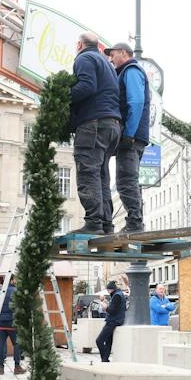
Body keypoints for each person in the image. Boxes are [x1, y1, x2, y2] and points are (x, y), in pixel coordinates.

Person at [68, 31, 122, 235]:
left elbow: (86, 86)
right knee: (101, 175)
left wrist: (64, 96)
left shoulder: (85, 58)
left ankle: (93, 223)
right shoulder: (106, 63)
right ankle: (105, 224)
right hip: (111, 125)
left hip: (93, 124)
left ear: (79, 45)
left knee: (88, 171)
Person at [107, 41, 151, 235]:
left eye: (113, 54)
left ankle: (134, 223)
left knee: (125, 180)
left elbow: (135, 102)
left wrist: (129, 134)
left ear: (123, 53)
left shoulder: (131, 71)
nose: (111, 58)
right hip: (133, 136)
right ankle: (134, 222)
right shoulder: (127, 72)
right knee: (128, 180)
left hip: (132, 137)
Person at [0, 282, 24, 375]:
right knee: (17, 344)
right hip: (12, 322)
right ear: (12, 280)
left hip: (0, 323)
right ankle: (17, 366)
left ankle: (1, 368)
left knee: (1, 344)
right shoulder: (16, 292)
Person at [95, 279, 128, 363]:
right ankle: (105, 359)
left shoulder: (116, 296)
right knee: (108, 342)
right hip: (117, 320)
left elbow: (112, 310)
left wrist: (105, 307)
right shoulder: (120, 294)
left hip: (113, 321)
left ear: (111, 289)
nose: (108, 292)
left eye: (108, 290)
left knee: (99, 341)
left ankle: (104, 359)